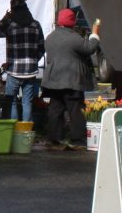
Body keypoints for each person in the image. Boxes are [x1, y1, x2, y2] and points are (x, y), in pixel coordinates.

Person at [43, 8, 101, 150]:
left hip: (53, 81)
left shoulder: (50, 37)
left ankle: (54, 138)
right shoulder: (73, 37)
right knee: (76, 111)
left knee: (55, 110)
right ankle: (78, 139)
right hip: (71, 80)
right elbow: (89, 48)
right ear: (72, 22)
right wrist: (95, 33)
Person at [0, 0, 45, 121]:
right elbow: (42, 46)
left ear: (12, 10)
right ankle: (26, 132)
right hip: (30, 72)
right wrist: (34, 60)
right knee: (27, 102)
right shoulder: (36, 25)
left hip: (14, 71)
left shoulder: (10, 26)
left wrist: (5, 18)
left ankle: (13, 130)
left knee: (12, 102)